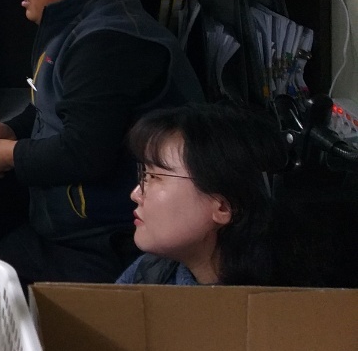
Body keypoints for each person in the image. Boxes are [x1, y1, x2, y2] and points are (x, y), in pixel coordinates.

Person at [0, 0, 204, 285]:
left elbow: (85, 153)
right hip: (68, 227)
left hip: (108, 239)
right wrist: (14, 130)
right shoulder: (75, 20)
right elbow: (53, 101)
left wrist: (9, 155)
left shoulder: (107, 43)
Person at [117, 104, 289, 285]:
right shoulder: (148, 273)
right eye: (144, 175)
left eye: (154, 177)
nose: (136, 194)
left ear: (223, 207)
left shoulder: (286, 298)